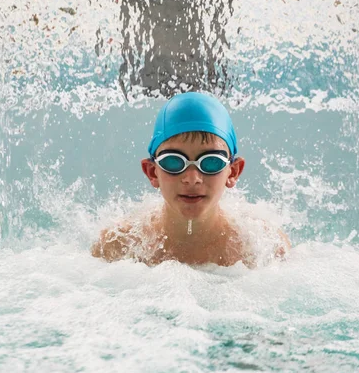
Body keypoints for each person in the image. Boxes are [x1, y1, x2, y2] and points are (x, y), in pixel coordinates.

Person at [91, 92, 291, 267]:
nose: (192, 178)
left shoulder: (263, 247)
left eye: (211, 162)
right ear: (152, 172)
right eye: (173, 162)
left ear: (233, 172)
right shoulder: (118, 246)